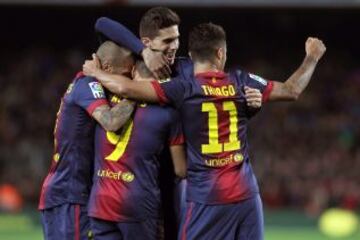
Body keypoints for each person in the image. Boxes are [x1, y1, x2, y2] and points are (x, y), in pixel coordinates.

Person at [82, 22, 326, 239]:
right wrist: (311, 57)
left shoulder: (183, 89)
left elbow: (127, 89)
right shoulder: (241, 81)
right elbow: (292, 89)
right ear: (220, 53)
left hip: (207, 198)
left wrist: (97, 73)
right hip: (246, 196)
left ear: (190, 55)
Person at [94, 8, 264, 239]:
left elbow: (219, 101)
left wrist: (251, 106)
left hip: (177, 177)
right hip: (141, 180)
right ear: (147, 42)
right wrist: (143, 52)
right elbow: (103, 23)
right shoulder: (136, 66)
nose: (175, 45)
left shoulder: (186, 69)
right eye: (168, 40)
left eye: (177, 38)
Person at [38, 41, 136, 240]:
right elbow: (111, 121)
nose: (126, 81)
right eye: (125, 74)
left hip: (65, 193)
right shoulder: (89, 84)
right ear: (107, 68)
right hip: (69, 194)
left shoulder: (82, 85)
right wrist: (136, 92)